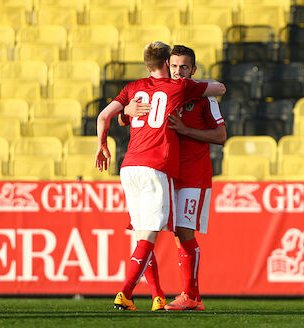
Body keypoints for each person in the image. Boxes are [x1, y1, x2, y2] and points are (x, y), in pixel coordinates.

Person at [94, 41, 226, 312]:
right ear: (168, 65)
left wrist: (185, 130)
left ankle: (191, 295)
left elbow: (221, 136)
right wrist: (126, 112)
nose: (179, 71)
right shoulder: (171, 89)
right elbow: (133, 114)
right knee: (152, 230)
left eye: (184, 67)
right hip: (165, 171)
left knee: (179, 231)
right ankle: (159, 295)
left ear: (193, 69)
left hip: (191, 174)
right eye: (175, 66)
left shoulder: (202, 95)